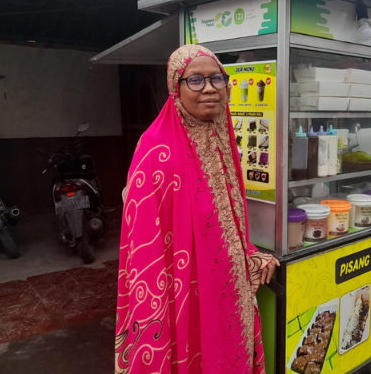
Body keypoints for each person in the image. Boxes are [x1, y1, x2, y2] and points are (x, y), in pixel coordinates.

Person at [115, 45, 279, 374]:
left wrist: (249, 253)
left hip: (227, 286)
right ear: (176, 89)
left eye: (216, 78)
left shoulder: (222, 136)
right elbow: (144, 241)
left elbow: (228, 216)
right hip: (180, 291)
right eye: (195, 80)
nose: (208, 88)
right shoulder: (155, 149)